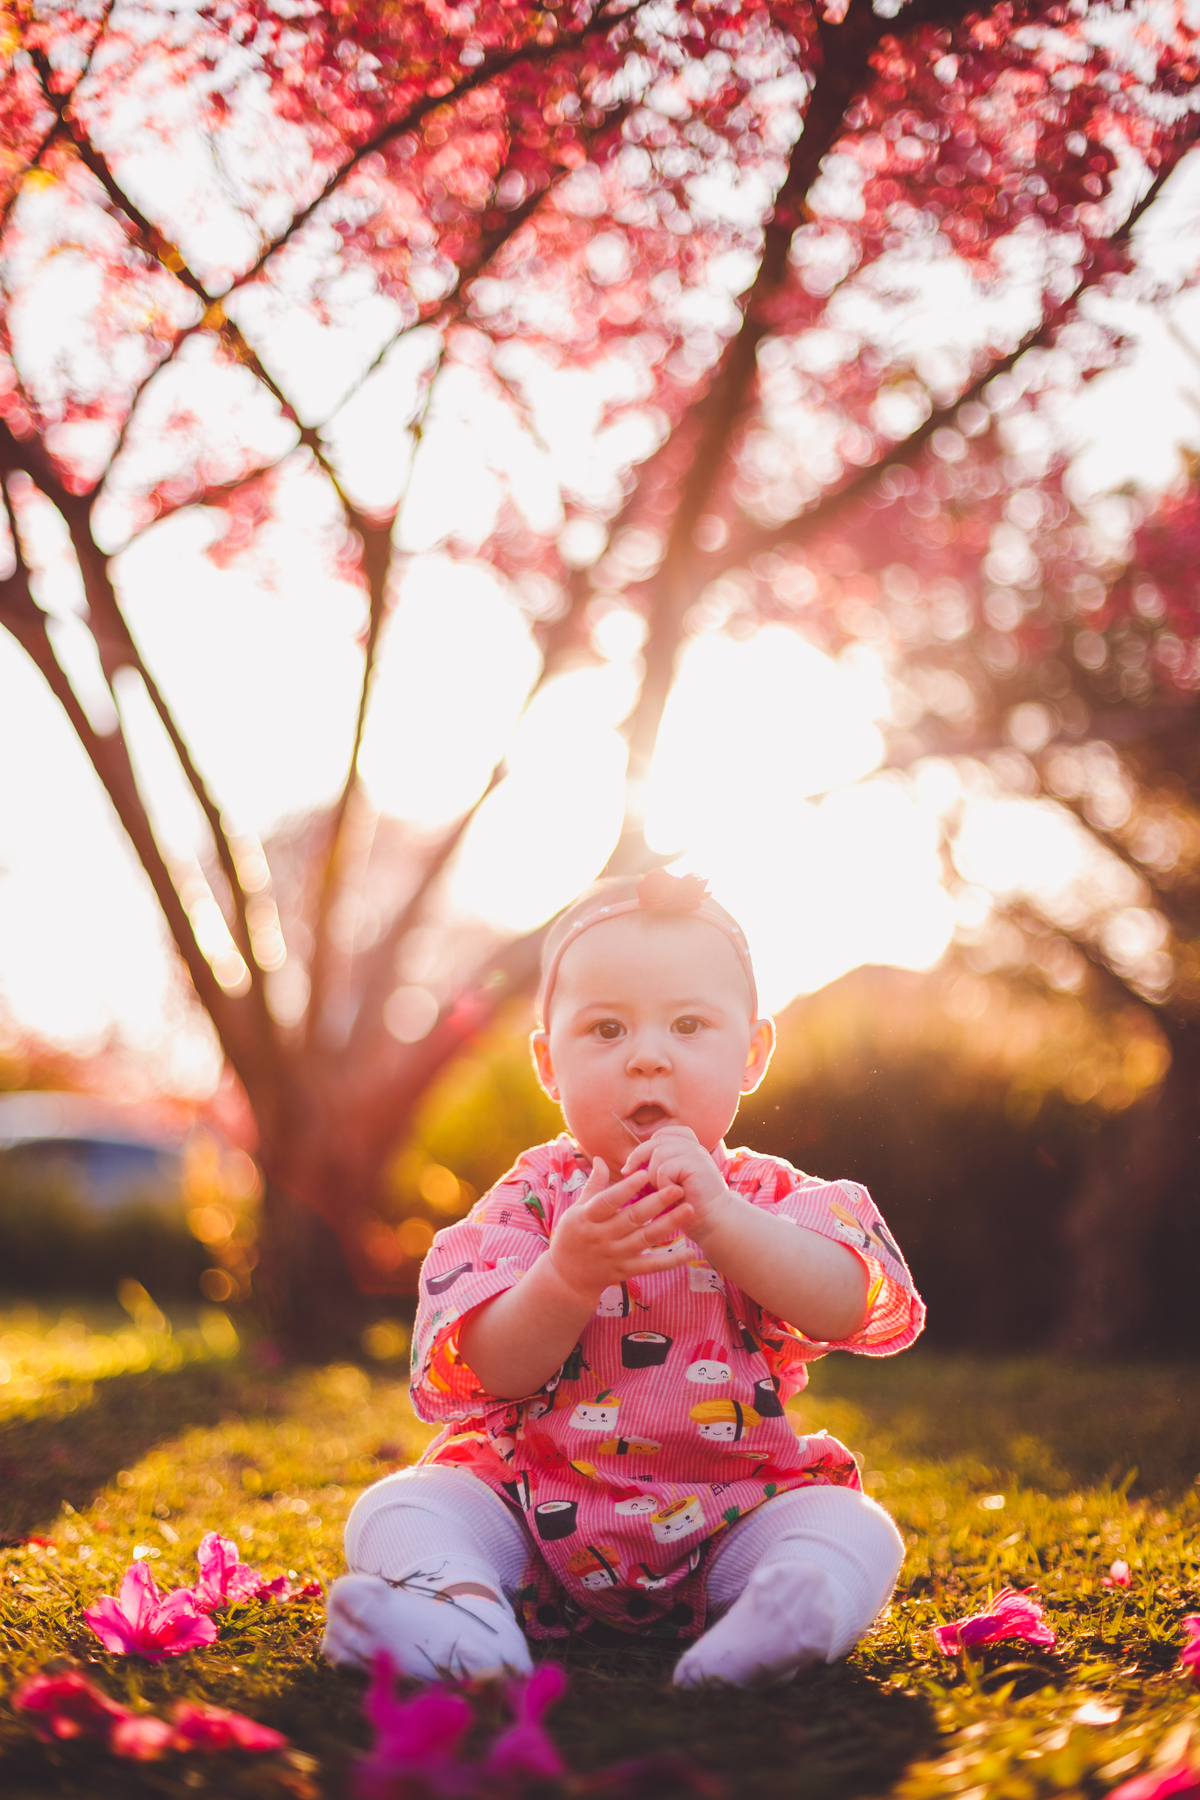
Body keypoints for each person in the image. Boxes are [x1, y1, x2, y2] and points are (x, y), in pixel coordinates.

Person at [323, 870, 924, 1685]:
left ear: (751, 1054)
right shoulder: (532, 1201)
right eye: (606, 1029)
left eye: (688, 1025)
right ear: (548, 1062)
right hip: (534, 1515)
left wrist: (724, 1222)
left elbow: (844, 1301)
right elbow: (493, 1365)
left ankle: (782, 1617)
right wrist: (567, 1276)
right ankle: (467, 1620)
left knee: (855, 1527)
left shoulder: (766, 1197)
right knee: (400, 1507)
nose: (647, 1058)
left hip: (733, 1516)